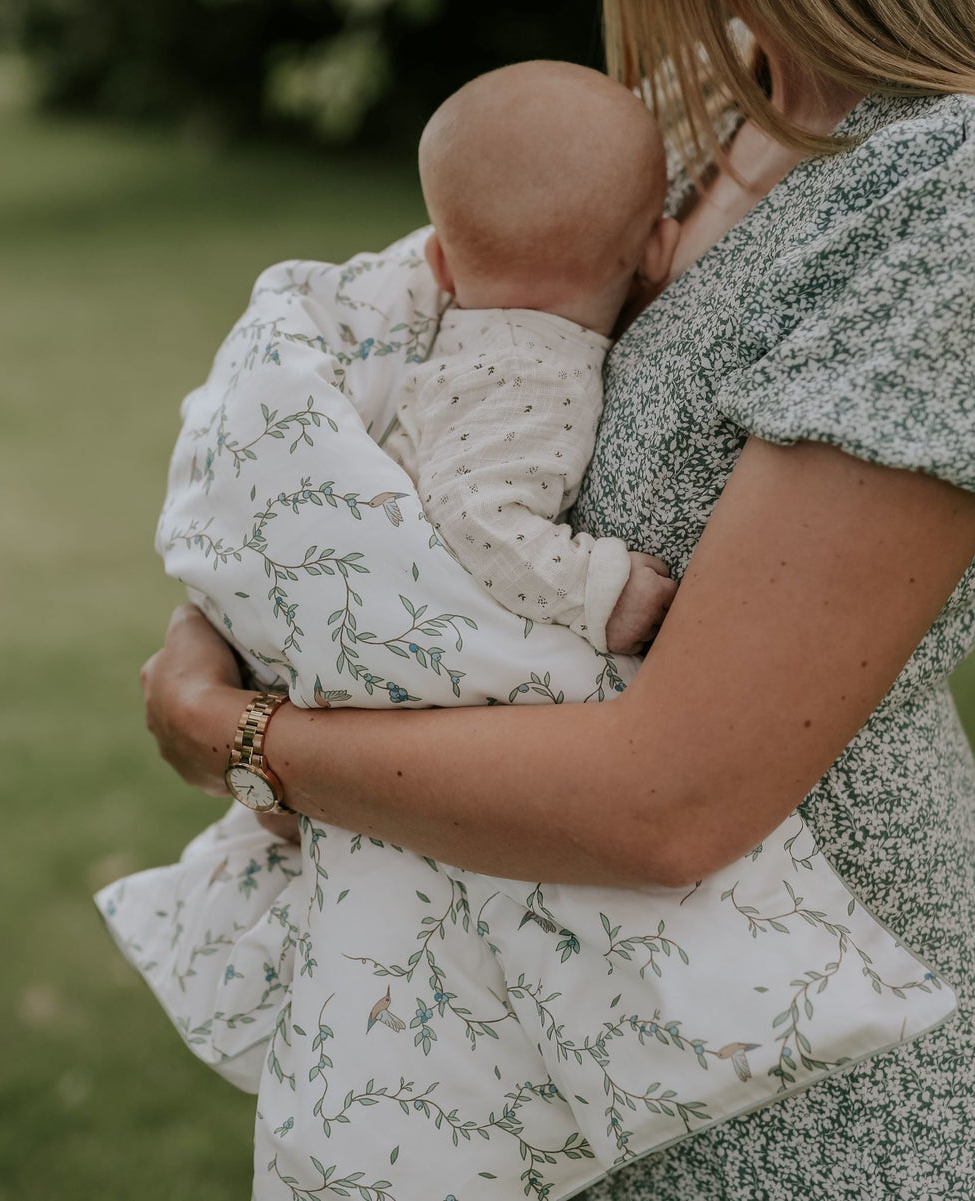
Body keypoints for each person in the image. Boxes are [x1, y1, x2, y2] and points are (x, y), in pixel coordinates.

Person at [141, 1, 975, 1196]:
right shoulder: (694, 118)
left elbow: (672, 799)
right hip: (523, 1024)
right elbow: (436, 398)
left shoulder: (943, 191)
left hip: (796, 1095)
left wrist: (250, 741)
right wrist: (263, 588)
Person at [387, 60, 680, 656]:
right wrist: (598, 592)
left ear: (439, 264)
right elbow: (472, 513)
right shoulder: (535, 371)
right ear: (657, 251)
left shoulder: (483, 340)